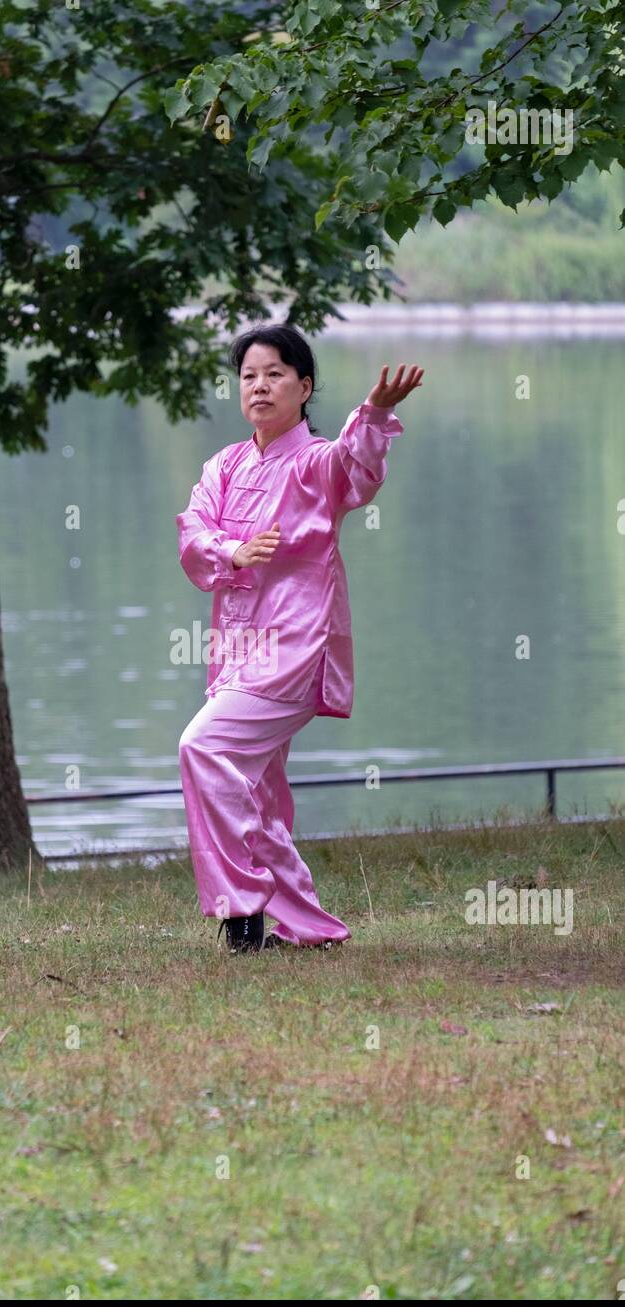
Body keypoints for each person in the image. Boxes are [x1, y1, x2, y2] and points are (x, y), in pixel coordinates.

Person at [175, 323, 423, 953]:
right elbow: (193, 536)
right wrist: (233, 549)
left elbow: (355, 470)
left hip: (293, 646)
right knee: (252, 789)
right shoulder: (224, 465)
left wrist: (373, 415)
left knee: (202, 748)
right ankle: (309, 926)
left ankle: (243, 913)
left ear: (304, 386)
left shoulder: (314, 462)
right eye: (249, 376)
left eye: (276, 374)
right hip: (234, 652)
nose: (260, 386)